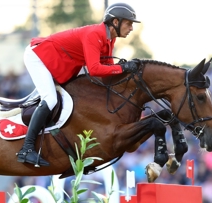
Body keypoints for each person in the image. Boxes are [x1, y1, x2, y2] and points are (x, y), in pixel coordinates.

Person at [16, 2, 141, 166]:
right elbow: (95, 69)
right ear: (115, 22)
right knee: (51, 99)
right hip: (38, 56)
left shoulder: (109, 39)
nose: (131, 27)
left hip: (54, 60)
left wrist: (128, 71)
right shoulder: (94, 34)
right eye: (129, 23)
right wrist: (122, 67)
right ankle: (26, 149)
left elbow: (109, 68)